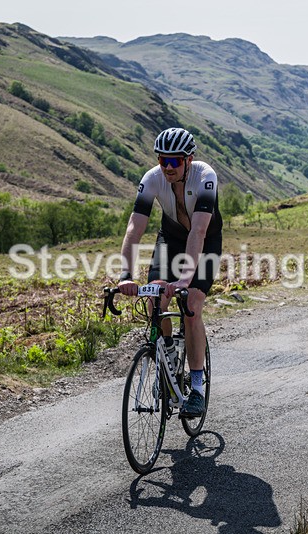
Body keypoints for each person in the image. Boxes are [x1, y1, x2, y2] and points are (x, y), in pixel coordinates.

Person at [118, 127, 223, 418]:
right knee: (155, 300)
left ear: (189, 159)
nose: (167, 167)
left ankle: (198, 387)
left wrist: (185, 280)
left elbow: (199, 231)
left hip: (205, 241)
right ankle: (168, 360)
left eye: (174, 161)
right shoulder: (152, 179)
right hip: (171, 239)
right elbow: (133, 230)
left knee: (190, 305)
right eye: (163, 160)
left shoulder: (205, 176)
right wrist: (125, 274)